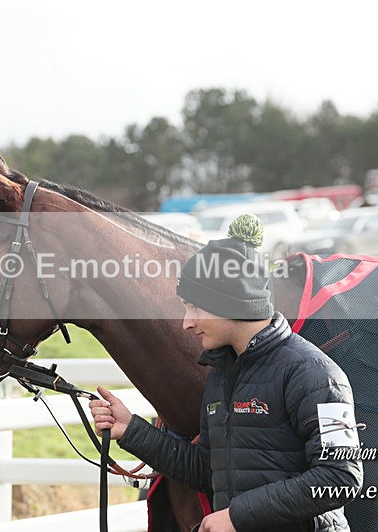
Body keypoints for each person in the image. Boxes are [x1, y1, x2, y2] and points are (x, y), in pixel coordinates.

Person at [90, 214, 363, 532]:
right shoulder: (220, 376)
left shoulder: (316, 374)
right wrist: (131, 430)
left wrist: (237, 516)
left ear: (231, 303)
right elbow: (208, 471)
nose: (186, 322)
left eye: (195, 307)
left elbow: (341, 477)